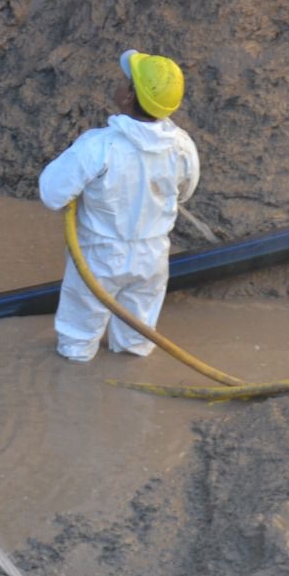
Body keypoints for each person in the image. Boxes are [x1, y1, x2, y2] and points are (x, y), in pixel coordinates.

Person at [39, 49, 201, 362]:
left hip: (99, 256)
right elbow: (184, 193)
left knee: (76, 343)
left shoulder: (99, 145)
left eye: (126, 80)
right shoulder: (183, 146)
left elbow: (51, 193)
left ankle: (72, 383)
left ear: (128, 96)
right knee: (136, 341)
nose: (120, 82)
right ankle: (128, 381)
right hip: (152, 255)